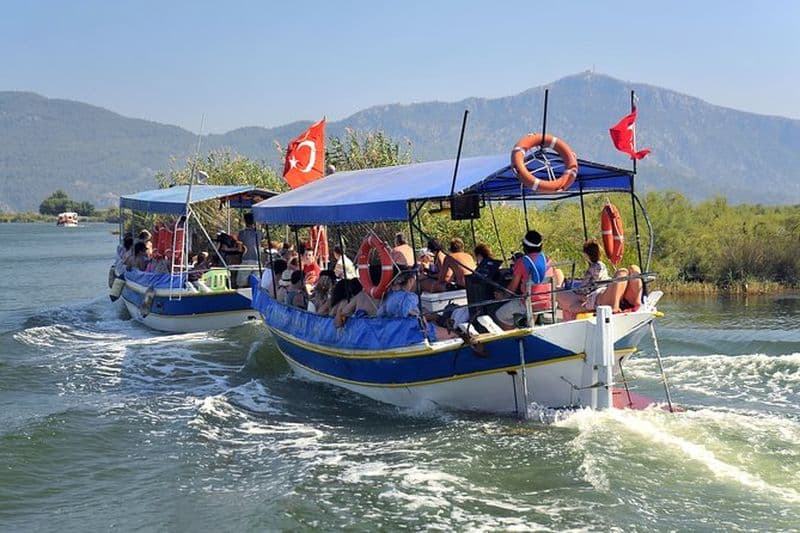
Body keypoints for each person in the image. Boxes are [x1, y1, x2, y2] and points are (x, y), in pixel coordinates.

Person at [494, 230, 556, 329]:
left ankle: (514, 338)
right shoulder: (548, 260)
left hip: (529, 304)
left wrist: (503, 296)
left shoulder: (522, 262)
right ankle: (526, 326)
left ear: (524, 246)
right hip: (548, 302)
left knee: (499, 315)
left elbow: (511, 289)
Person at [376, 270, 454, 340]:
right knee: (454, 335)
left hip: (390, 332)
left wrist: (436, 317)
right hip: (409, 332)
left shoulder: (388, 297)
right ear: (410, 281)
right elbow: (414, 314)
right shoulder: (408, 297)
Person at [236, 213, 264, 288]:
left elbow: (239, 249)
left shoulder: (242, 233)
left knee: (241, 283)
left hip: (246, 259)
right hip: (257, 260)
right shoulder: (259, 233)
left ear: (245, 221)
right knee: (257, 283)